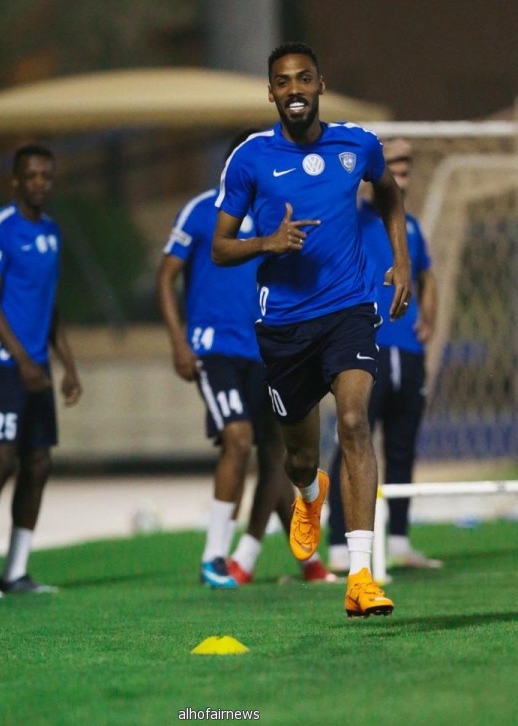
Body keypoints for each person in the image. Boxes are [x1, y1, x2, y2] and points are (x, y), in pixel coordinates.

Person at [212, 42, 412, 617]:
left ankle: (362, 576)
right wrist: (267, 243)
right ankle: (308, 495)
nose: (294, 89)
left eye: (303, 79)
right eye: (282, 81)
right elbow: (221, 248)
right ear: (270, 92)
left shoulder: (358, 144)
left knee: (353, 422)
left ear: (320, 85)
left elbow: (390, 193)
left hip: (349, 310)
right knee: (299, 458)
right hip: (284, 327)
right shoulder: (250, 158)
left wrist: (399, 261)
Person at [157, 130, 335, 588]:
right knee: (237, 438)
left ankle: (282, 557)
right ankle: (214, 559)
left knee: (278, 455)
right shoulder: (202, 211)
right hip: (214, 348)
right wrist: (178, 341)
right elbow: (165, 277)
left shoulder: (277, 215)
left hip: (266, 350)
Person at [0, 144, 82, 598]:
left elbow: (49, 308)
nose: (39, 183)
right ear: (15, 180)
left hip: (36, 368)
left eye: (46, 176)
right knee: (1, 459)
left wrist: (67, 365)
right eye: (30, 176)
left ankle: (15, 570)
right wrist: (24, 362)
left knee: (39, 462)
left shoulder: (51, 233)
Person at [328, 138, 441, 572]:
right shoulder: (353, 220)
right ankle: (339, 544)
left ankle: (398, 541)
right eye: (393, 164)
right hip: (367, 345)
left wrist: (427, 317)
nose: (401, 172)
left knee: (403, 447)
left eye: (407, 164)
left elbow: (428, 276)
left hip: (408, 350)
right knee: (353, 439)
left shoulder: (409, 227)